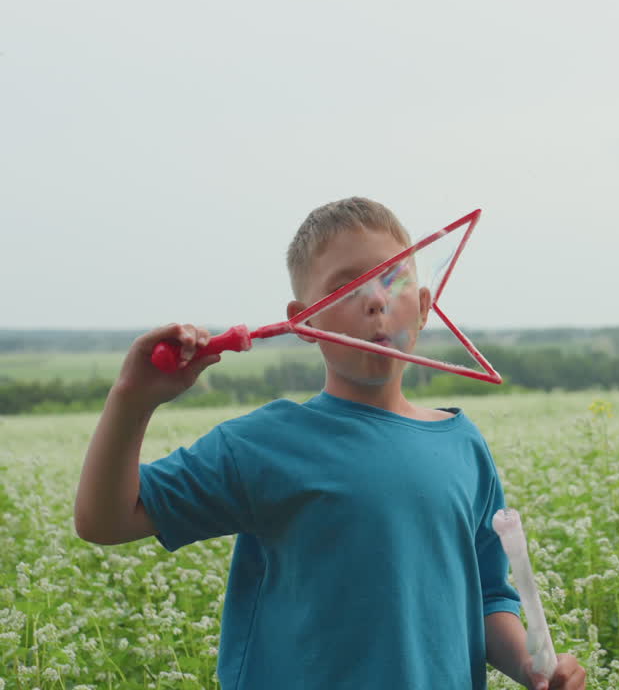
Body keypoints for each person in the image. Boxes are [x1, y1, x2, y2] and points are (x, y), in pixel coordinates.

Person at [74, 197, 586, 690]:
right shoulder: (263, 443)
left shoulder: (464, 446)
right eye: (346, 288)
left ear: (426, 306)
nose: (376, 300)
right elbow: (107, 520)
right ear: (305, 321)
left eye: (393, 279)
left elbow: (489, 597)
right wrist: (132, 399)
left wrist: (531, 666)